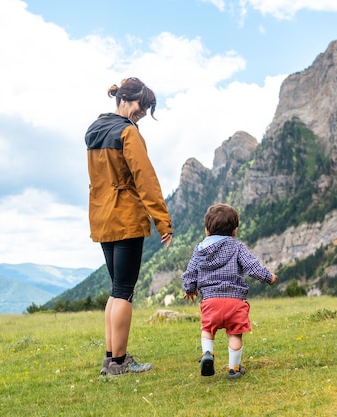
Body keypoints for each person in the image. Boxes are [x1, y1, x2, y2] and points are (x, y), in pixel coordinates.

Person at [85, 77, 173, 377]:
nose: (143, 113)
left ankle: (111, 359)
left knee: (116, 290)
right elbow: (145, 178)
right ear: (125, 99)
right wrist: (162, 220)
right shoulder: (127, 132)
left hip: (101, 217)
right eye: (141, 105)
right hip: (125, 218)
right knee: (124, 291)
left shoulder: (94, 130)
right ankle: (120, 362)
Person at [182, 203, 277, 380]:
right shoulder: (238, 247)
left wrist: (190, 289)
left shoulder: (199, 250)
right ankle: (233, 368)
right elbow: (252, 267)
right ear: (235, 231)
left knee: (208, 329)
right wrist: (268, 277)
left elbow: (191, 272)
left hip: (210, 301)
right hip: (235, 301)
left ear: (207, 231)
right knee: (234, 333)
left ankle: (208, 353)